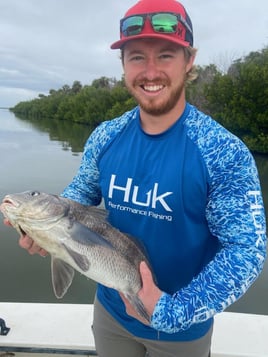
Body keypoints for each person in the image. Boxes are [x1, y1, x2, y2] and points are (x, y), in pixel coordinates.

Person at [4, 0, 267, 356]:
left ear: (189, 61)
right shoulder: (105, 136)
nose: (151, 70)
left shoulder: (222, 151)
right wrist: (43, 232)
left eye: (165, 55)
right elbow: (76, 200)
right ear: (124, 65)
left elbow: (246, 250)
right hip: (111, 314)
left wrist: (173, 312)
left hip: (180, 332)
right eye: (137, 56)